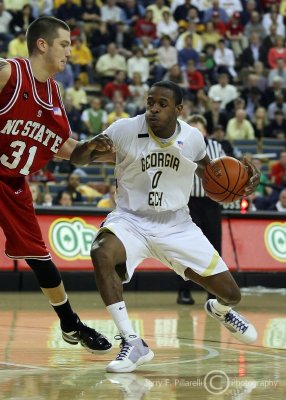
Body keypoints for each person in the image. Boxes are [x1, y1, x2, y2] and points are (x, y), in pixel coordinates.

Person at [71, 80, 260, 373]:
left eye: (162, 104)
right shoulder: (124, 129)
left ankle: (220, 310)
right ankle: (132, 342)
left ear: (178, 109)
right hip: (130, 219)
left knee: (231, 294)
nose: (154, 109)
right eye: (150, 102)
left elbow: (211, 176)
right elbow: (76, 158)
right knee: (101, 251)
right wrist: (90, 146)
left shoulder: (193, 138)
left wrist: (241, 181)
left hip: (176, 225)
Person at [0, 16, 114, 354]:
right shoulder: (8, 72)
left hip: (13, 183)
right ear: (42, 44)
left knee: (39, 256)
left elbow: (65, 148)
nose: (71, 51)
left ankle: (69, 323)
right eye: (65, 44)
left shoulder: (54, 92)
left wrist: (119, 157)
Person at [176, 114, 225, 305]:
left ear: (205, 130)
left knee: (213, 249)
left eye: (199, 127)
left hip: (211, 203)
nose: (196, 130)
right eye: (192, 126)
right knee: (185, 249)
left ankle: (213, 293)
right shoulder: (180, 145)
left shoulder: (216, 147)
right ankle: (183, 291)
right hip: (188, 203)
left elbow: (224, 172)